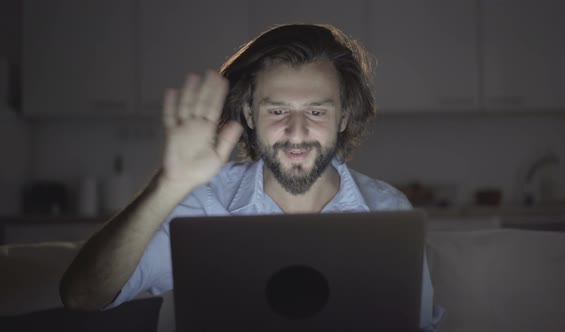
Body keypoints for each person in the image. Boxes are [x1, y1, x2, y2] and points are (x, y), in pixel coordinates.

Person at [60, 24, 445, 330]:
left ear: (343, 116)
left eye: (316, 112)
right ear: (248, 114)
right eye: (277, 111)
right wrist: (170, 185)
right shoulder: (202, 202)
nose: (296, 132)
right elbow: (83, 296)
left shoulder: (387, 210)